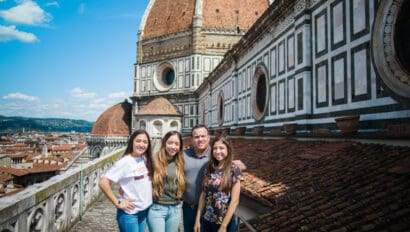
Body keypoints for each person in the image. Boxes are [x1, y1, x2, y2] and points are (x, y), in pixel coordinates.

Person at [99, 130, 153, 232]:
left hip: (144, 211)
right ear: (132, 142)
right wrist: (117, 202)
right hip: (129, 213)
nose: (141, 144)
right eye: (138, 141)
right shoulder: (124, 162)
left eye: (145, 142)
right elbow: (103, 182)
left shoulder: (144, 158)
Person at [194, 135, 242, 232]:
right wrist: (197, 219)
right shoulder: (210, 168)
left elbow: (234, 201)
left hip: (225, 223)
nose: (217, 151)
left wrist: (223, 226)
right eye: (215, 148)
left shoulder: (234, 169)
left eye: (221, 148)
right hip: (207, 220)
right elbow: (203, 194)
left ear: (228, 150)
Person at [147, 130, 186, 232]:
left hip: (176, 208)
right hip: (157, 208)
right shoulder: (153, 160)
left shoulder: (181, 161)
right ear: (164, 143)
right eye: (170, 143)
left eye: (177, 144)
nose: (173, 147)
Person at [182, 124, 211, 232]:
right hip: (189, 207)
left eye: (203, 136)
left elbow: (230, 165)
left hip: (209, 209)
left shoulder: (216, 154)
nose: (200, 139)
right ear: (192, 139)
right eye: (197, 137)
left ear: (208, 137)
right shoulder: (183, 155)